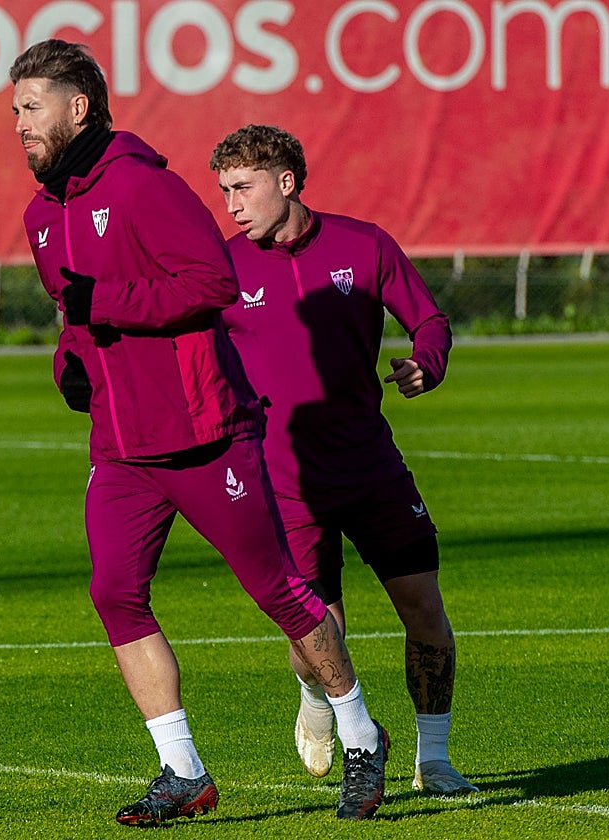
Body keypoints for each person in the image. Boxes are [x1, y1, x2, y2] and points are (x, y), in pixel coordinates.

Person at [8, 41, 390, 824]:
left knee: (279, 593)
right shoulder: (42, 216)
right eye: (14, 110)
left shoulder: (145, 187)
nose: (18, 123)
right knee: (115, 594)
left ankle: (359, 734)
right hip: (120, 447)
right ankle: (183, 772)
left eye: (30, 106)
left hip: (204, 434)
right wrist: (68, 362)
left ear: (78, 107)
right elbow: (72, 314)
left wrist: (99, 306)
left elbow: (212, 283)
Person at [208, 124, 477, 796]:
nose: (232, 205)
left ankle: (435, 759)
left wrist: (427, 365)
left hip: (371, 468)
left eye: (242, 187)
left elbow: (431, 322)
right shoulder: (223, 267)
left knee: (424, 607)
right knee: (319, 631)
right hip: (285, 482)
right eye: (224, 191)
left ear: (287, 181)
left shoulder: (364, 245)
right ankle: (316, 697)